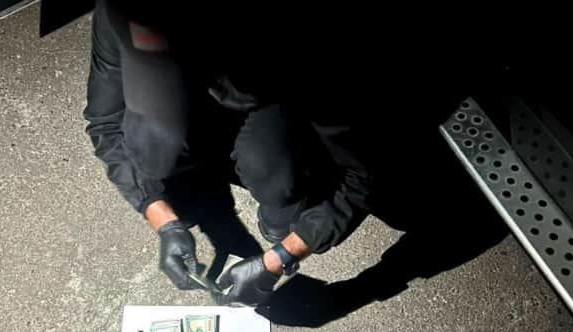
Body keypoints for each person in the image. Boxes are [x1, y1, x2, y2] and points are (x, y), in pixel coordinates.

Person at [83, 1, 372, 306]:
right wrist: (161, 217)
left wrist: (284, 255)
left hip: (269, 95)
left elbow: (366, 175)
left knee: (271, 173)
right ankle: (192, 173)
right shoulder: (124, 10)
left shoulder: (310, 54)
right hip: (218, 87)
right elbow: (105, 122)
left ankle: (281, 192)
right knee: (152, 141)